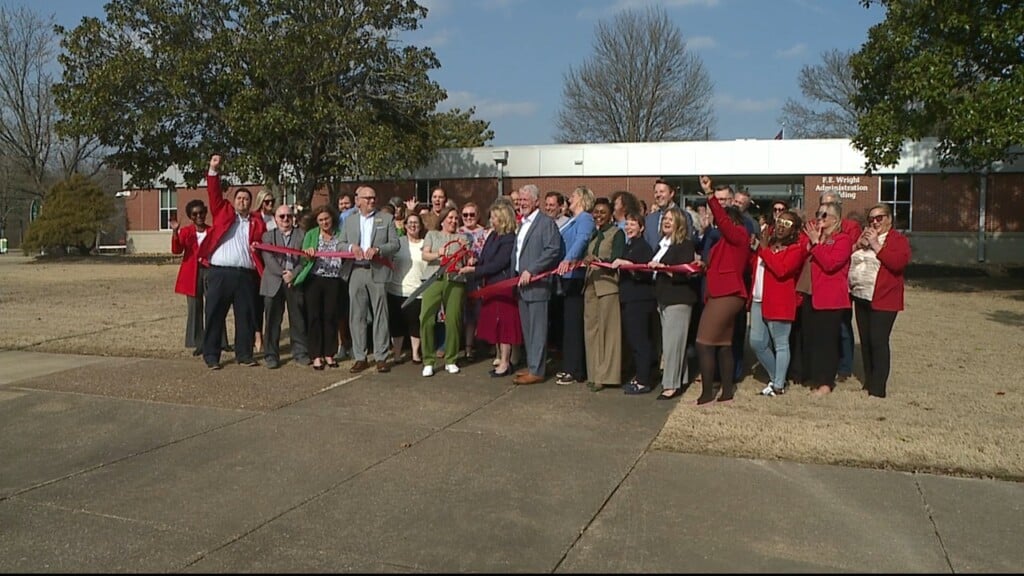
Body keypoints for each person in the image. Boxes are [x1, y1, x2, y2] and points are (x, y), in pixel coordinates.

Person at [198, 154, 267, 370]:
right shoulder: (223, 212)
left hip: (245, 275)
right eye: (239, 198)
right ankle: (211, 355)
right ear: (234, 201)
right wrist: (213, 170)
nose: (242, 202)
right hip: (220, 272)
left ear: (251, 202)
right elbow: (214, 192)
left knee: (245, 316)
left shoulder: (257, 222)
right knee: (214, 314)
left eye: (246, 199)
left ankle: (244, 354)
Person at [694, 176, 750, 405]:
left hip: (727, 294)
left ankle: (708, 392)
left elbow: (724, 224)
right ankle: (726, 391)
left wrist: (710, 196)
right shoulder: (724, 244)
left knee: (703, 342)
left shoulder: (739, 235)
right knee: (723, 344)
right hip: (724, 293)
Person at [849, 204, 911, 398]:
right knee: (866, 341)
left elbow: (897, 263)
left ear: (889, 219)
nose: (875, 222)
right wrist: (858, 245)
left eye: (879, 218)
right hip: (861, 296)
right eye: (871, 219)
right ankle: (869, 381)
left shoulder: (897, 240)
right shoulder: (863, 238)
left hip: (884, 298)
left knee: (878, 340)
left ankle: (878, 388)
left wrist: (876, 245)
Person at [340, 186, 400, 373]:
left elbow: (395, 244)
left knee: (380, 314)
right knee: (357, 315)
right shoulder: (349, 221)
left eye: (373, 198)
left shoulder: (386, 218)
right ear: (358, 200)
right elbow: (340, 243)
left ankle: (381, 356)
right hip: (356, 271)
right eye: (367, 198)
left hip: (377, 270)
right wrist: (351, 248)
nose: (371, 201)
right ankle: (360, 356)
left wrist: (378, 250)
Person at [749, 210, 806, 397]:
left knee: (781, 343)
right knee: (757, 342)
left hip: (780, 301)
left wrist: (763, 249)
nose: (782, 226)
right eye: (780, 221)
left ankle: (778, 384)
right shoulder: (767, 245)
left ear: (794, 230)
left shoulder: (796, 249)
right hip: (759, 299)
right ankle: (775, 377)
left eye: (788, 224)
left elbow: (781, 270)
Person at [461, 202, 520, 377]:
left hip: (502, 287)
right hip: (491, 286)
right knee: (496, 325)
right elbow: (486, 257)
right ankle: (501, 359)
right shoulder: (493, 235)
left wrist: (475, 270)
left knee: (504, 326)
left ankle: (505, 362)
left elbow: (500, 263)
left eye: (494, 217)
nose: (491, 220)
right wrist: (476, 261)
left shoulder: (508, 238)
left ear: (502, 218)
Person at [512, 184, 564, 385]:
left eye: (526, 200)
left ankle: (538, 370)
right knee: (528, 329)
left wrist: (532, 269)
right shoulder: (523, 223)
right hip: (521, 285)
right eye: (521, 200)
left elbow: (553, 250)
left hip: (537, 284)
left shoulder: (545, 223)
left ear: (536, 201)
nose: (522, 203)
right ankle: (533, 364)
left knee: (538, 329)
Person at [646, 208, 699, 400]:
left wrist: (664, 268)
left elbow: (685, 272)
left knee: (672, 345)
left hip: (679, 299)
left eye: (671, 219)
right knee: (673, 343)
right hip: (663, 298)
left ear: (679, 223)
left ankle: (670, 385)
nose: (666, 222)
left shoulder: (685, 245)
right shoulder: (662, 245)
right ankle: (681, 379)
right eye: (665, 219)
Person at [802, 201, 853, 396]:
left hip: (831, 299)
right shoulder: (817, 237)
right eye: (818, 213)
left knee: (827, 342)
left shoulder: (842, 240)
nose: (819, 218)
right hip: (811, 295)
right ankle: (815, 376)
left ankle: (825, 382)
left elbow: (831, 264)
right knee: (813, 339)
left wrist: (816, 243)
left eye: (824, 215)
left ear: (835, 219)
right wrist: (812, 241)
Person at [418, 207, 471, 377]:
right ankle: (428, 360)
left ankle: (451, 359)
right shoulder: (432, 235)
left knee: (453, 319)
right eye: (450, 218)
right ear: (442, 220)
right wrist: (437, 254)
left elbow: (468, 258)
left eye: (456, 218)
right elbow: (425, 255)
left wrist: (469, 256)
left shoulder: (462, 238)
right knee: (426, 317)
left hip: (455, 280)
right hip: (434, 278)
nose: (454, 221)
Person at [170, 199, 226, 356]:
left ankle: (220, 341)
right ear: (191, 217)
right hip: (192, 273)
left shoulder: (212, 230)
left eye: (201, 212)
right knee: (195, 308)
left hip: (210, 271)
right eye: (195, 214)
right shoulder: (187, 232)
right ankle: (198, 342)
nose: (199, 216)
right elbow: (176, 250)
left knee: (215, 306)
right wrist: (175, 232)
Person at [610, 212, 657, 395]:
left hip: (640, 300)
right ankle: (640, 376)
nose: (629, 228)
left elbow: (643, 271)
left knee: (640, 341)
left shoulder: (643, 247)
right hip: (629, 299)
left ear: (642, 227)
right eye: (627, 224)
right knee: (634, 340)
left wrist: (627, 264)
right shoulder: (629, 246)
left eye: (633, 224)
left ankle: (644, 380)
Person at [553, 186, 596, 386]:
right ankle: (569, 365)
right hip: (566, 277)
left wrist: (569, 259)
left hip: (575, 275)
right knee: (568, 324)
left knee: (574, 324)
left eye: (573, 195)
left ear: (581, 199)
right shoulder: (571, 220)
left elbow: (582, 239)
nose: (569, 198)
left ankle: (576, 368)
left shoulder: (585, 218)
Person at [291, 206, 344, 370]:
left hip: (334, 280)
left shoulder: (340, 234)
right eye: (321, 220)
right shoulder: (311, 234)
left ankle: (329, 353)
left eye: (326, 219)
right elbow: (304, 260)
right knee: (314, 317)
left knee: (330, 317)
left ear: (332, 219)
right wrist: (308, 254)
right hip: (315, 279)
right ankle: (316, 355)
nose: (324, 222)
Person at [581, 198, 625, 392]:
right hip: (590, 285)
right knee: (591, 331)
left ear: (610, 215)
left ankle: (606, 375)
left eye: (603, 212)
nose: (598, 216)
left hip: (608, 286)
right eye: (596, 212)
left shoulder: (617, 234)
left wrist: (599, 260)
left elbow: (617, 258)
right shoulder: (593, 234)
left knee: (608, 333)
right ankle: (593, 373)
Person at [259, 203, 310, 369]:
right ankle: (271, 355)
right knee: (272, 321)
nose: (286, 219)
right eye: (282, 216)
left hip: (295, 282)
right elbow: (268, 259)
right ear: (275, 219)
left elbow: (305, 259)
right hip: (273, 282)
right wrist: (283, 274)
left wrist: (293, 275)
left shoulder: (302, 235)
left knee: (298, 319)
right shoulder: (267, 236)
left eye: (289, 216)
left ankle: (300, 353)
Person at [386, 212, 428, 365]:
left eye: (416, 222)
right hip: (395, 290)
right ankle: (397, 354)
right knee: (396, 323)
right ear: (404, 226)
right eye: (409, 222)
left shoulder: (425, 244)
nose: (413, 225)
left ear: (421, 226)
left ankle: (415, 354)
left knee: (414, 324)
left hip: (417, 291)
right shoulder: (398, 243)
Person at [459, 202, 489, 361]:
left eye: (472, 214)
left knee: (480, 312)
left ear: (477, 215)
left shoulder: (485, 233)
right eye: (465, 215)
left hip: (479, 277)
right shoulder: (458, 233)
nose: (468, 218)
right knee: (466, 314)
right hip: (462, 278)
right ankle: (467, 348)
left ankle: (483, 343)